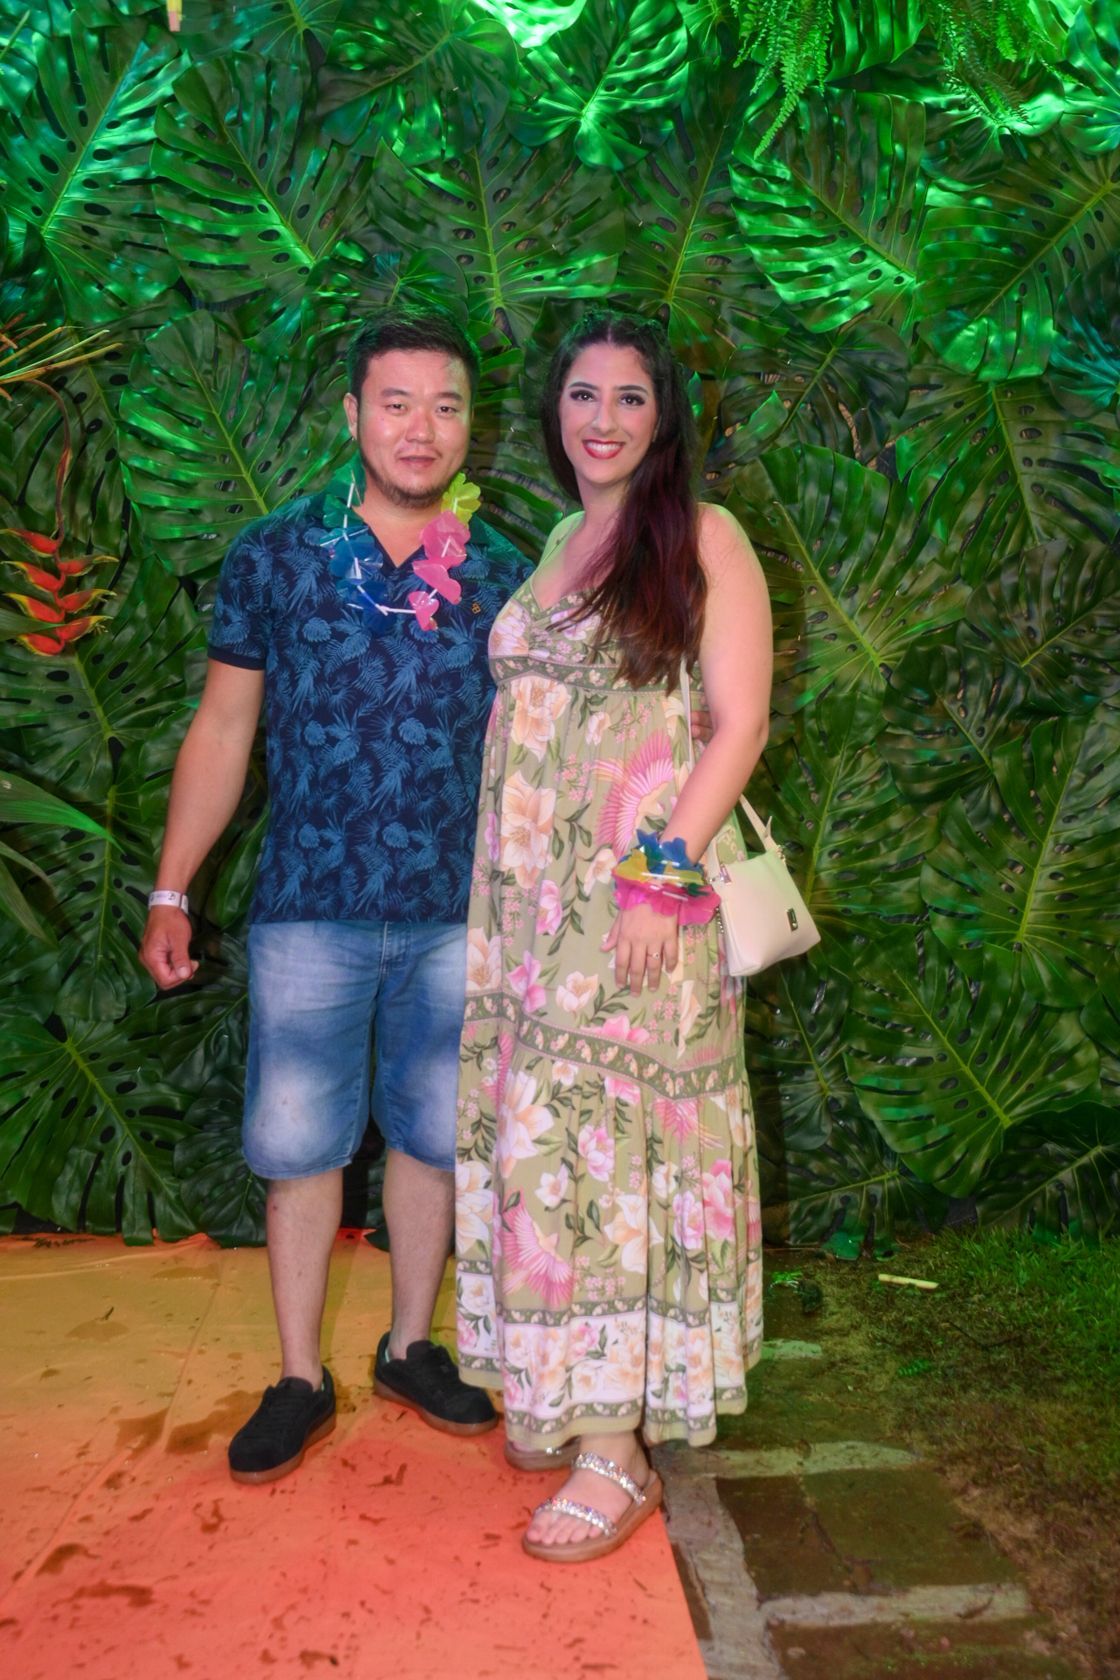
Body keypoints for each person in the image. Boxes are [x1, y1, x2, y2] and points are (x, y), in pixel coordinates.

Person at [138, 304, 534, 1483]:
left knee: (433, 1137)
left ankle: (411, 1347)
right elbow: (223, 729)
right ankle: (300, 1376)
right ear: (355, 414)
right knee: (299, 1144)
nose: (422, 428)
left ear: (470, 425)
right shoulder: (274, 555)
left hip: (456, 913)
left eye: (446, 406)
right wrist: (172, 888)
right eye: (397, 403)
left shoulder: (506, 574)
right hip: (309, 902)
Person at [455, 309, 772, 1562]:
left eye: (629, 398)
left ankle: (614, 1452)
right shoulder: (558, 539)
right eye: (581, 395)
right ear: (555, 412)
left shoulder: (703, 536)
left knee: (603, 1152)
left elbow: (737, 725)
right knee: (546, 1148)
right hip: (531, 910)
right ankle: (573, 1391)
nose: (602, 419)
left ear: (664, 417)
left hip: (639, 905)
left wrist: (655, 879)